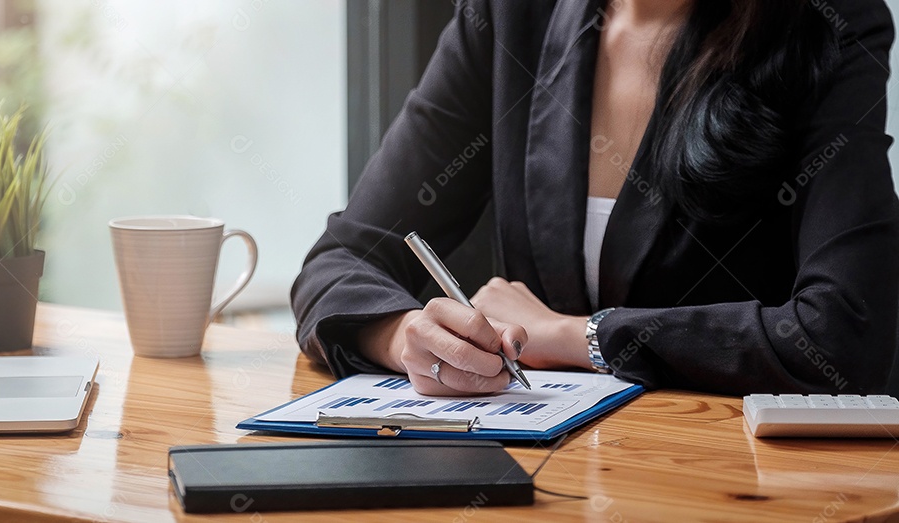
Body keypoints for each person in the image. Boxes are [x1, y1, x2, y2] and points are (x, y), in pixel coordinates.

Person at [291, 0, 899, 396]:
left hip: (722, 482)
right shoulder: (510, 17)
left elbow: (846, 336)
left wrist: (574, 335)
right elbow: (341, 260)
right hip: (545, 482)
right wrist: (409, 341)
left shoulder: (829, 24)